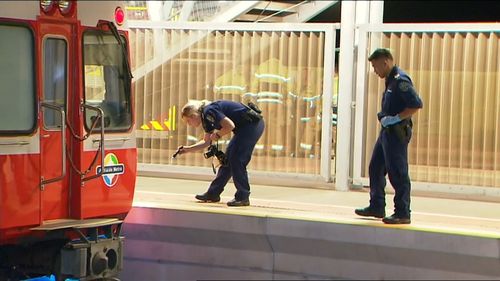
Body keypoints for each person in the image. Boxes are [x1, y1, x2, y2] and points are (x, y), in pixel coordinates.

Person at [355, 48, 423, 224]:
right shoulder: (390, 80)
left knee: (398, 172)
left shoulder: (401, 80)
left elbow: (416, 104)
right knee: (375, 167)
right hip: (387, 131)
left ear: (385, 62)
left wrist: (395, 119)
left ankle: (402, 212)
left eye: (375, 66)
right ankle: (377, 206)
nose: (374, 70)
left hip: (396, 132)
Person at [176, 99, 265, 207]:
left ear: (194, 116)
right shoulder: (206, 119)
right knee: (227, 161)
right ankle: (213, 193)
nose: (189, 125)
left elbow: (230, 125)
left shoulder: (209, 111)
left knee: (236, 159)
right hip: (244, 128)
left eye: (188, 121)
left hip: (251, 125)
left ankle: (243, 196)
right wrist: (187, 149)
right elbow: (206, 142)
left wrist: (218, 135)